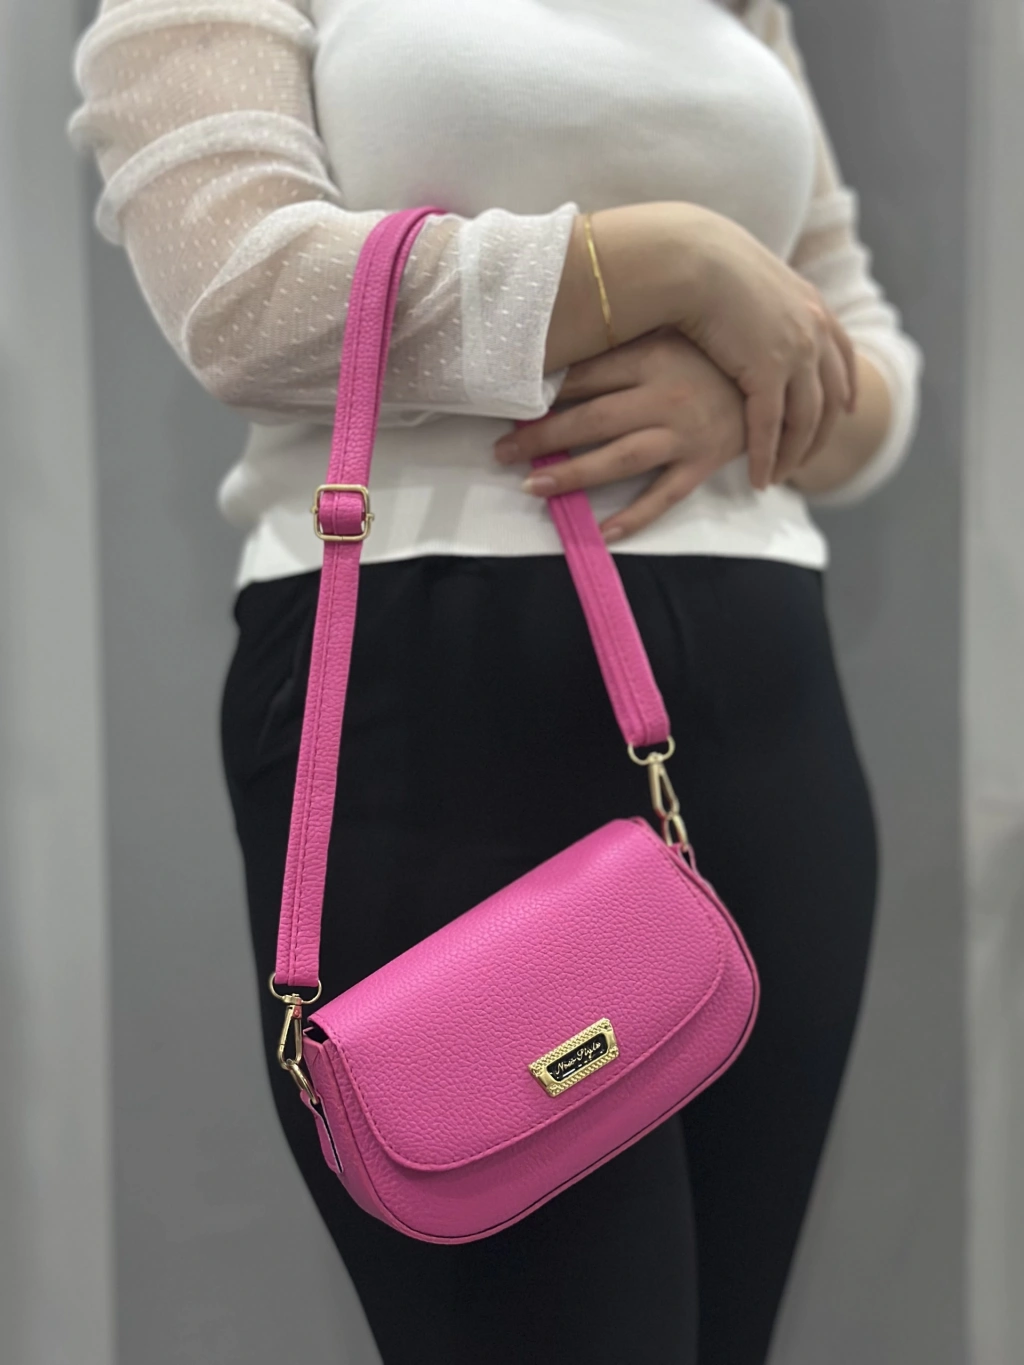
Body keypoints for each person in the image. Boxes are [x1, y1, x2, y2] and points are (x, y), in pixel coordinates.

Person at [70, 1, 922, 1361]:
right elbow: (245, 296)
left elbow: (867, 349)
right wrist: (676, 263)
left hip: (768, 697)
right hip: (440, 693)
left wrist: (741, 392)